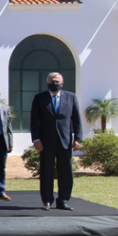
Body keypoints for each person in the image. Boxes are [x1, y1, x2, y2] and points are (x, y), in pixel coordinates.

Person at [30, 72, 82, 211]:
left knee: (66, 172)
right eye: (52, 81)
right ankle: (47, 200)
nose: (55, 83)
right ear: (47, 84)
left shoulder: (71, 97)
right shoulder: (39, 98)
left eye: (57, 81)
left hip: (65, 141)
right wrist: (36, 139)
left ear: (62, 84)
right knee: (46, 171)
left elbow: (76, 120)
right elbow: (34, 121)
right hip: (46, 142)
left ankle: (63, 200)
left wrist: (78, 138)